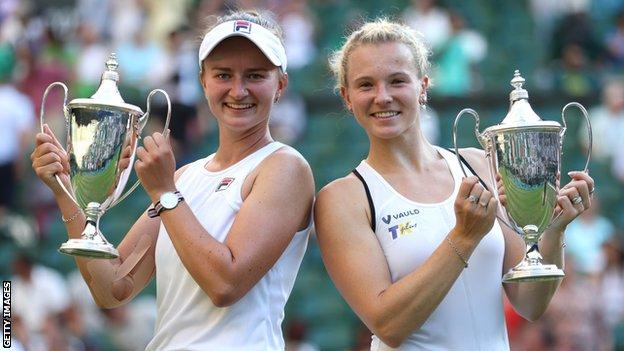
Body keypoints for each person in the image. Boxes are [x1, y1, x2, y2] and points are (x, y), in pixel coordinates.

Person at [31, 9, 315, 350]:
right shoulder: (186, 176)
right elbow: (114, 288)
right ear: (203, 81)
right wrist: (65, 188)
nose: (238, 90)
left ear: (280, 84)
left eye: (255, 75)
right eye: (223, 75)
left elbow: (225, 284)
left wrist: (166, 192)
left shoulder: (285, 167)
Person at [314, 18, 595, 350]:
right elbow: (389, 324)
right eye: (365, 85)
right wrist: (463, 237)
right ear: (347, 97)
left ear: (423, 86)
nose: (383, 96)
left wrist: (555, 229)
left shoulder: (477, 163)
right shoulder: (343, 198)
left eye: (397, 81)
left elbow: (530, 304)